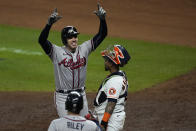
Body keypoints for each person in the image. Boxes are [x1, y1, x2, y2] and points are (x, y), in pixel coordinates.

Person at [38, 3, 107, 117]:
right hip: (63, 97)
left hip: (81, 94)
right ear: (65, 39)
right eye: (70, 37)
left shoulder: (85, 48)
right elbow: (42, 40)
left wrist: (103, 20)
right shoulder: (56, 52)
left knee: (84, 125)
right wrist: (48, 24)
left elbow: (102, 34)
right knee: (68, 126)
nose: (74, 39)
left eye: (75, 36)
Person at [93, 45, 130, 131]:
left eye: (106, 60)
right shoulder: (120, 74)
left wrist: (103, 123)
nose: (105, 62)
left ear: (111, 64)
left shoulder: (115, 81)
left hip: (111, 120)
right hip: (111, 116)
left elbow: (111, 103)